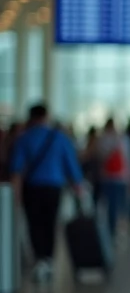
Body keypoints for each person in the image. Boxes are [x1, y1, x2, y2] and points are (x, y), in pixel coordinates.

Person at [9, 105, 85, 281]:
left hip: (32, 188)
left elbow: (16, 170)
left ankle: (39, 258)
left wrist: (16, 195)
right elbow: (71, 165)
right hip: (53, 187)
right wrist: (78, 187)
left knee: (34, 223)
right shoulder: (59, 138)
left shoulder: (24, 138)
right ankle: (48, 259)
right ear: (46, 116)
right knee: (50, 223)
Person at [95, 118, 130, 241]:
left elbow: (127, 160)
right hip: (115, 177)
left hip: (114, 177)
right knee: (114, 204)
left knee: (115, 204)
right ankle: (113, 228)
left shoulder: (105, 140)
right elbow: (128, 160)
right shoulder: (121, 140)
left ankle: (115, 227)